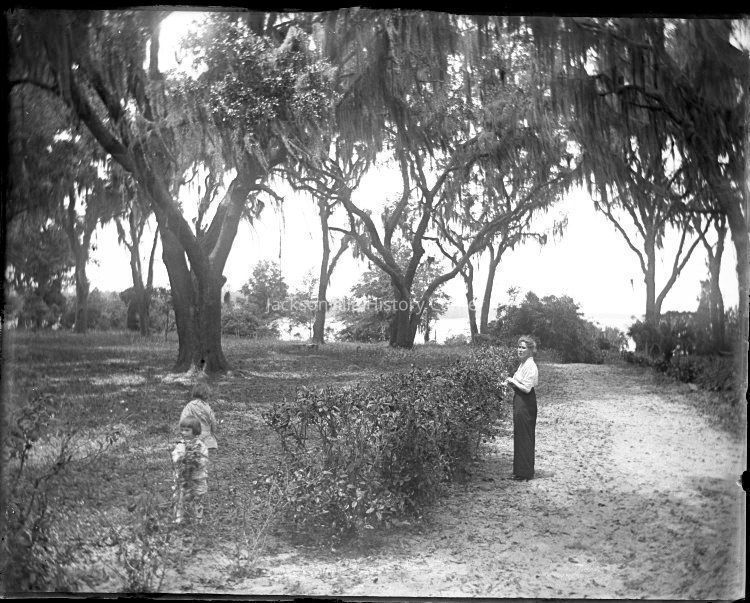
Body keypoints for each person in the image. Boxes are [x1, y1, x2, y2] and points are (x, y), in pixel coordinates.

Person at [504, 335, 539, 481]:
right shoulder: (522, 364)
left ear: (530, 350)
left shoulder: (531, 366)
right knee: (519, 435)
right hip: (519, 401)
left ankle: (525, 473)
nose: (520, 350)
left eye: (523, 347)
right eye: (519, 347)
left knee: (525, 436)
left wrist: (512, 381)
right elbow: (518, 383)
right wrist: (508, 382)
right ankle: (519, 471)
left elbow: (526, 388)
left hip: (526, 402)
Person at [172, 415, 209, 524]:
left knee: (198, 496)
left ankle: (198, 519)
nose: (183, 432)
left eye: (187, 430)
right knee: (180, 496)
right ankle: (178, 518)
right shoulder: (180, 444)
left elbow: (204, 459)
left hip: (197, 477)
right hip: (182, 477)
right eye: (182, 430)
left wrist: (196, 462)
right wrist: (180, 458)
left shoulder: (201, 446)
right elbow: (175, 456)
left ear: (195, 431)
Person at [180, 382, 218, 452]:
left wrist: (183, 431)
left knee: (193, 450)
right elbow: (213, 420)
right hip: (207, 436)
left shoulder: (190, 405)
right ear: (206, 394)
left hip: (194, 434)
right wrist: (213, 431)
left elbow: (183, 419)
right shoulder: (207, 407)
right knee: (207, 451)